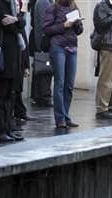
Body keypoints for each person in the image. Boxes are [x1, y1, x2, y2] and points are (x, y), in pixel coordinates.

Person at [0, 0, 26, 142]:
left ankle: (8, 128)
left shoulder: (11, 4)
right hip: (3, 56)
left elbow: (21, 24)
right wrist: (18, 21)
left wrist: (16, 19)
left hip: (13, 57)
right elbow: (12, 28)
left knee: (10, 96)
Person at [43, 0, 83, 128]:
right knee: (60, 82)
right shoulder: (52, 8)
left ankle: (66, 116)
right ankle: (60, 118)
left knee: (69, 84)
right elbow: (46, 29)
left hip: (72, 47)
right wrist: (64, 25)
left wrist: (77, 24)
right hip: (58, 47)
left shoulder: (74, 7)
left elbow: (79, 31)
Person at [31, 0, 54, 107]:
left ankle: (39, 96)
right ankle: (44, 96)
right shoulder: (43, 2)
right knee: (45, 69)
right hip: (44, 42)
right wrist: (42, 45)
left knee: (41, 69)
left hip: (42, 42)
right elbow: (43, 25)